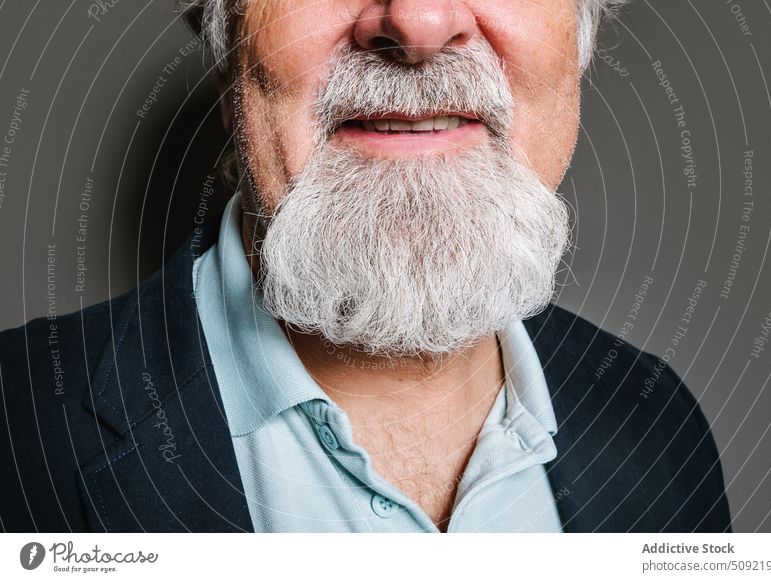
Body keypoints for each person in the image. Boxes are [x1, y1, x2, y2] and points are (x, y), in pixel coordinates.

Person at [0, 0, 730, 532]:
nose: (416, 22)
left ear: (578, 39)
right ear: (228, 48)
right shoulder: (16, 427)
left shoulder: (658, 420)